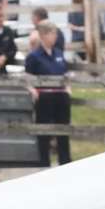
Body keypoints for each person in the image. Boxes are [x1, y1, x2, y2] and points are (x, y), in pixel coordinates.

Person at [24, 21, 71, 166]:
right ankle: (44, 163)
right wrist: (32, 90)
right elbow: (28, 78)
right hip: (44, 97)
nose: (55, 37)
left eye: (55, 33)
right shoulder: (34, 56)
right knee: (44, 131)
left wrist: (68, 88)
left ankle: (65, 161)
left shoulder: (58, 53)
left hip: (60, 96)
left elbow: (64, 72)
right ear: (43, 35)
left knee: (63, 129)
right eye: (52, 33)